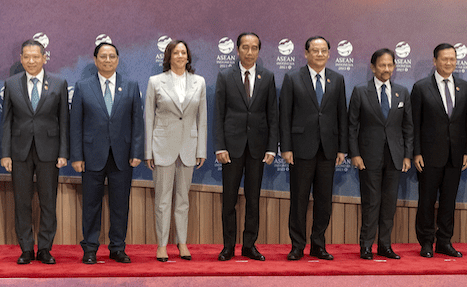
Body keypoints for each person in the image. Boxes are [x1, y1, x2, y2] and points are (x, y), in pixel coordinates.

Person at [70, 42, 144, 264]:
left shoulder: (130, 86)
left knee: (120, 205)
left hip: (122, 156)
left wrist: (137, 151)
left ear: (118, 60)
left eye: (112, 56)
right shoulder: (83, 86)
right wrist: (77, 156)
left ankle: (117, 247)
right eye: (103, 56)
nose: (108, 60)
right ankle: (90, 248)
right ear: (95, 60)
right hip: (91, 155)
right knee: (91, 205)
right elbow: (75, 125)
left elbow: (137, 123)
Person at [0, 39, 69, 264]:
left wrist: (63, 152)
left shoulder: (58, 84)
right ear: (21, 59)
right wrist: (5, 153)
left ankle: (45, 248)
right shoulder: (11, 84)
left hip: (49, 151)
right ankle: (27, 248)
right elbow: (7, 121)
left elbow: (64, 122)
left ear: (44, 58)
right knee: (22, 202)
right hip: (19, 151)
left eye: (36, 57)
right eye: (26, 57)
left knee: (48, 201)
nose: (31, 61)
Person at [279, 36, 348, 261]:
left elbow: (341, 116)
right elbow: (285, 115)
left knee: (324, 200)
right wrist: (286, 147)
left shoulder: (337, 80)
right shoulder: (292, 78)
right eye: (315, 50)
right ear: (306, 53)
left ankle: (318, 245)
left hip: (328, 149)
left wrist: (342, 148)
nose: (319, 54)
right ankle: (297, 246)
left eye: (323, 51)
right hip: (300, 148)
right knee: (299, 199)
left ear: (329, 53)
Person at [214, 32, 278, 261]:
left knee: (253, 199)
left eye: (254, 48)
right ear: (238, 49)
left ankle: (249, 245)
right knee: (229, 199)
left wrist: (272, 148)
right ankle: (228, 246)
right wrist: (220, 146)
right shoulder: (225, 76)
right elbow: (219, 114)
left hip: (257, 149)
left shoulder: (268, 77)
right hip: (231, 149)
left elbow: (273, 114)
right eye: (245, 47)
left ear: (259, 51)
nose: (249, 52)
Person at [348, 48, 413, 260]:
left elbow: (408, 127)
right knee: (371, 202)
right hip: (368, 156)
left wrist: (407, 155)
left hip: (395, 156)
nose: (386, 69)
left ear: (394, 67)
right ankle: (366, 246)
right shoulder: (360, 91)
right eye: (382, 65)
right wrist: (355, 154)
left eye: (390, 65)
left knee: (389, 203)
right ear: (373, 67)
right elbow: (352, 126)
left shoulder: (402, 92)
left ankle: (385, 245)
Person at [145, 40, 207, 262]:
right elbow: (149, 117)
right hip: (162, 147)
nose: (180, 55)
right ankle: (161, 245)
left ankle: (182, 243)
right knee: (162, 200)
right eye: (176, 52)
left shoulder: (199, 82)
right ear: (169, 57)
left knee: (183, 200)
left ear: (188, 56)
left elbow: (202, 118)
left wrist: (201, 149)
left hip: (188, 148)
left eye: (183, 52)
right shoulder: (155, 82)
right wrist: (148, 152)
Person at [411, 43, 467, 258]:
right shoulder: (421, 87)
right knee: (427, 200)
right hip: (428, 155)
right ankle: (426, 242)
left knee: (449, 200)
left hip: (455, 155)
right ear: (435, 61)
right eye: (444, 59)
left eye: (452, 59)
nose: (449, 63)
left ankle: (444, 241)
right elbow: (415, 123)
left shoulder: (464, 87)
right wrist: (416, 152)